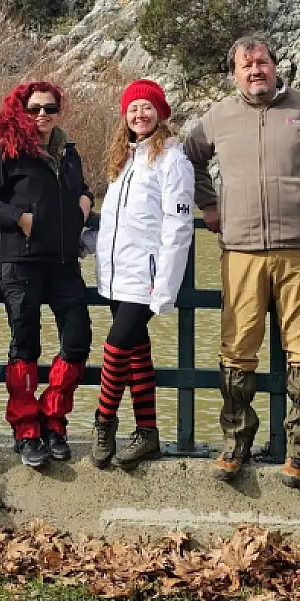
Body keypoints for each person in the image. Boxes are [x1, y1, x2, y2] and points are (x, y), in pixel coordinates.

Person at [183, 37, 300, 489]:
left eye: (262, 61)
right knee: (238, 348)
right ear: (234, 74)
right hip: (240, 250)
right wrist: (209, 205)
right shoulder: (218, 118)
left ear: (276, 67)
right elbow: (190, 159)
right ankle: (235, 444)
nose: (255, 69)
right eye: (246, 64)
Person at [0, 80, 93, 469]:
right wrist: (19, 218)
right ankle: (25, 428)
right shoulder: (4, 150)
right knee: (25, 343)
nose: (42, 115)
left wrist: (85, 201)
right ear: (20, 110)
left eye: (49, 108)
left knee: (78, 337)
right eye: (34, 108)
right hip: (20, 263)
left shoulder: (68, 153)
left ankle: (54, 418)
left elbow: (78, 190)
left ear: (59, 112)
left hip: (63, 262)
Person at [91, 79, 195, 470]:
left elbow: (178, 226)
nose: (140, 114)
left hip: (148, 276)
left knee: (116, 346)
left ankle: (103, 421)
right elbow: (116, 223)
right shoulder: (123, 159)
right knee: (135, 352)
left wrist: (166, 285)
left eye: (147, 107)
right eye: (133, 108)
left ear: (161, 112)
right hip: (118, 274)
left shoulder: (172, 159)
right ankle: (147, 432)